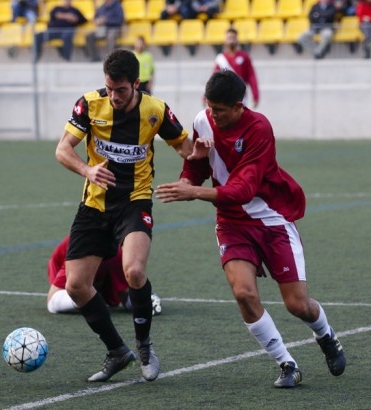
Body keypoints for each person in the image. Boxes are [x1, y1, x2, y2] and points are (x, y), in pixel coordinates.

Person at [155, 70, 347, 388]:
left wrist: (194, 192)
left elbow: (243, 190)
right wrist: (187, 178)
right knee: (244, 294)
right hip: (231, 222)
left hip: (271, 219)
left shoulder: (259, 128)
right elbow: (198, 163)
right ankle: (287, 364)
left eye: (219, 110)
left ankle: (326, 336)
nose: (212, 115)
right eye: (209, 107)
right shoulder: (203, 119)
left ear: (238, 106)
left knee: (297, 305)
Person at [55, 49, 195, 383]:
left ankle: (144, 345)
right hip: (94, 205)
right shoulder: (89, 105)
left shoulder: (156, 110)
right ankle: (117, 351)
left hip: (135, 201)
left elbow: (186, 149)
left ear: (136, 84)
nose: (114, 96)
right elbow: (62, 150)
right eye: (110, 88)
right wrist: (88, 170)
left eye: (121, 90)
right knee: (75, 286)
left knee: (133, 271)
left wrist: (194, 170)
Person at [47, 235, 162, 315]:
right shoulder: (78, 249)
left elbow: (123, 293)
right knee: (78, 293)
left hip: (105, 255)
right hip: (81, 252)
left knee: (125, 292)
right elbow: (52, 301)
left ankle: (146, 299)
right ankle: (87, 300)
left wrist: (142, 300)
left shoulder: (116, 254)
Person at [214, 28, 259, 108]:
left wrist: (255, 95)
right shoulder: (220, 59)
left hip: (240, 96)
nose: (231, 40)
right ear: (225, 40)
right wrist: (207, 95)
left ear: (237, 40)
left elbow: (251, 77)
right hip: (224, 97)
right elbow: (214, 79)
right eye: (229, 38)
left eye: (233, 38)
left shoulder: (244, 57)